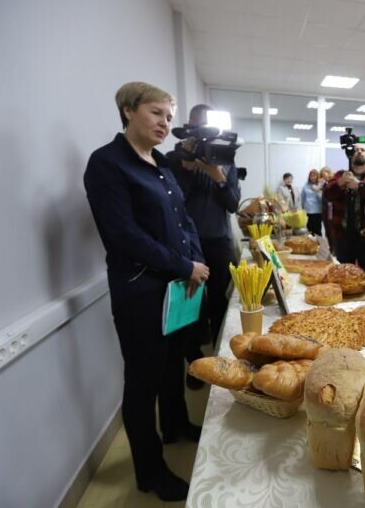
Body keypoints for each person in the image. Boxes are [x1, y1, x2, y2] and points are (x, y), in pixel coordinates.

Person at [84, 81, 209, 501]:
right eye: (157, 113)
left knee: (172, 363)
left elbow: (183, 218)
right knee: (142, 382)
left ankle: (174, 424)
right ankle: (151, 472)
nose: (165, 123)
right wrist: (184, 264)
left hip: (177, 286)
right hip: (140, 292)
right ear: (127, 111)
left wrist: (195, 259)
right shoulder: (107, 164)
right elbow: (123, 236)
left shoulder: (160, 163)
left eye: (169, 116)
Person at [168, 103, 241, 387]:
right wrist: (187, 168)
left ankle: (222, 357)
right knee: (190, 304)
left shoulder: (225, 158)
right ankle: (194, 362)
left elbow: (234, 204)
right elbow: (172, 202)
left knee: (221, 301)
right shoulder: (175, 158)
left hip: (219, 240)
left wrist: (218, 177)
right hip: (186, 245)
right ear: (189, 127)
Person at [323, 145, 365, 295]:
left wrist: (359, 185)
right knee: (342, 277)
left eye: (363, 149)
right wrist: (341, 182)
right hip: (343, 236)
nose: (359, 152)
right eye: (355, 150)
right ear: (350, 156)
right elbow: (327, 194)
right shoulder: (341, 175)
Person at [302, 168, 324, 236]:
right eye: (311, 175)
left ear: (317, 176)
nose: (312, 177)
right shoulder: (306, 186)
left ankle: (320, 245)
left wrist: (317, 190)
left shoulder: (320, 185)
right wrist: (302, 209)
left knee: (317, 230)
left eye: (314, 175)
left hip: (317, 211)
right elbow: (303, 198)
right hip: (308, 211)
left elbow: (321, 198)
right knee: (309, 230)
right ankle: (311, 245)